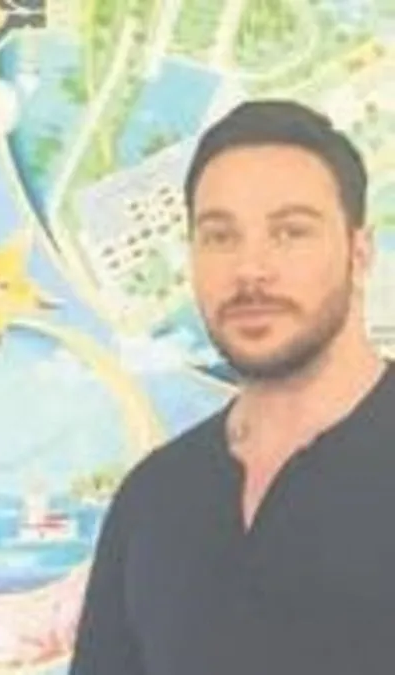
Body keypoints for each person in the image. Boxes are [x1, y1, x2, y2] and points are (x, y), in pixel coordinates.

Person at [70, 99, 395, 675]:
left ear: (359, 253)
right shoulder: (153, 500)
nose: (251, 269)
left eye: (290, 232)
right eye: (220, 236)